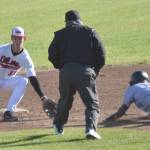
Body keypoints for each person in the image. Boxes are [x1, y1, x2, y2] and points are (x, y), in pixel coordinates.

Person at [48, 10, 105, 139]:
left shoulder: (59, 34)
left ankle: (58, 126)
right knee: (92, 103)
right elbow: (101, 54)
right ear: (80, 20)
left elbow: (52, 55)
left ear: (66, 22)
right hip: (85, 71)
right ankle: (90, 129)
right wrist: (96, 70)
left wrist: (62, 67)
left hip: (66, 72)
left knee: (65, 101)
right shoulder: (90, 31)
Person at [0, 27, 49, 122]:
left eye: (20, 38)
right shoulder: (2, 50)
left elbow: (32, 77)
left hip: (7, 81)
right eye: (15, 38)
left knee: (23, 81)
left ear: (24, 39)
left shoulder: (25, 58)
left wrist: (43, 97)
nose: (18, 41)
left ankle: (9, 112)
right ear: (11, 38)